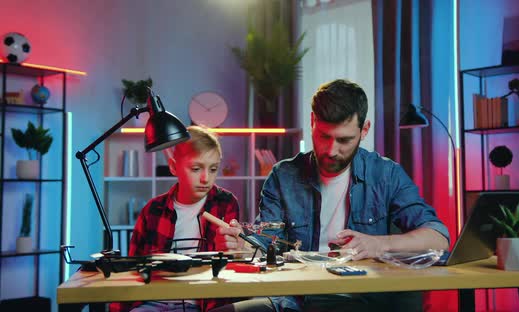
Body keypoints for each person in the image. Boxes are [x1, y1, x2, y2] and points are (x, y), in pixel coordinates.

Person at [234, 79, 450, 312]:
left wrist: (378, 244)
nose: (331, 151)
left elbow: (438, 238)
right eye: (324, 136)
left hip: (358, 299)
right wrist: (244, 245)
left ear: (364, 130)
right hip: (292, 299)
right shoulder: (283, 175)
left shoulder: (386, 175)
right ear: (312, 121)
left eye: (344, 140)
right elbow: (266, 244)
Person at [109, 125, 246, 312]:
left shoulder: (226, 203)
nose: (206, 178)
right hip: (153, 300)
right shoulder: (152, 210)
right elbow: (134, 268)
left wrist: (237, 249)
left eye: (213, 169)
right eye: (196, 168)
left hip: (201, 303)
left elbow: (233, 265)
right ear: (174, 167)